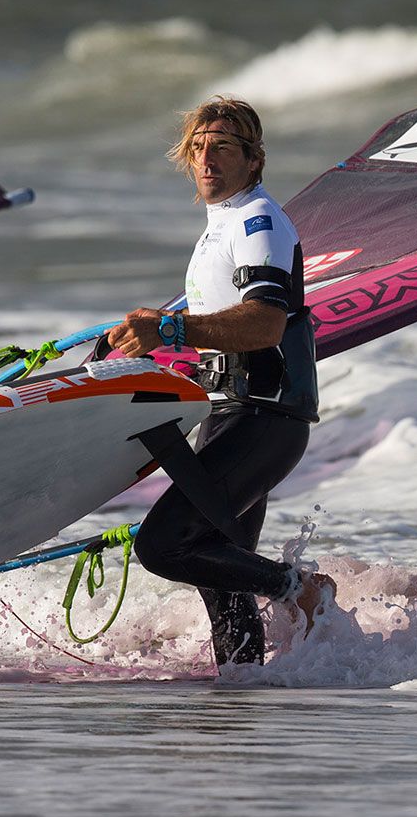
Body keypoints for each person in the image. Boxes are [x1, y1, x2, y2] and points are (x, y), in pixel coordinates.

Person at [107, 96, 334, 667]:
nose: (207, 158)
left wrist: (170, 328)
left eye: (223, 147)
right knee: (219, 569)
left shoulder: (258, 222)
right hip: (230, 411)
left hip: (264, 418)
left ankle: (300, 589)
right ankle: (240, 691)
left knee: (163, 546)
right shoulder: (221, 227)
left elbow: (264, 322)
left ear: (253, 159)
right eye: (198, 147)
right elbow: (214, 317)